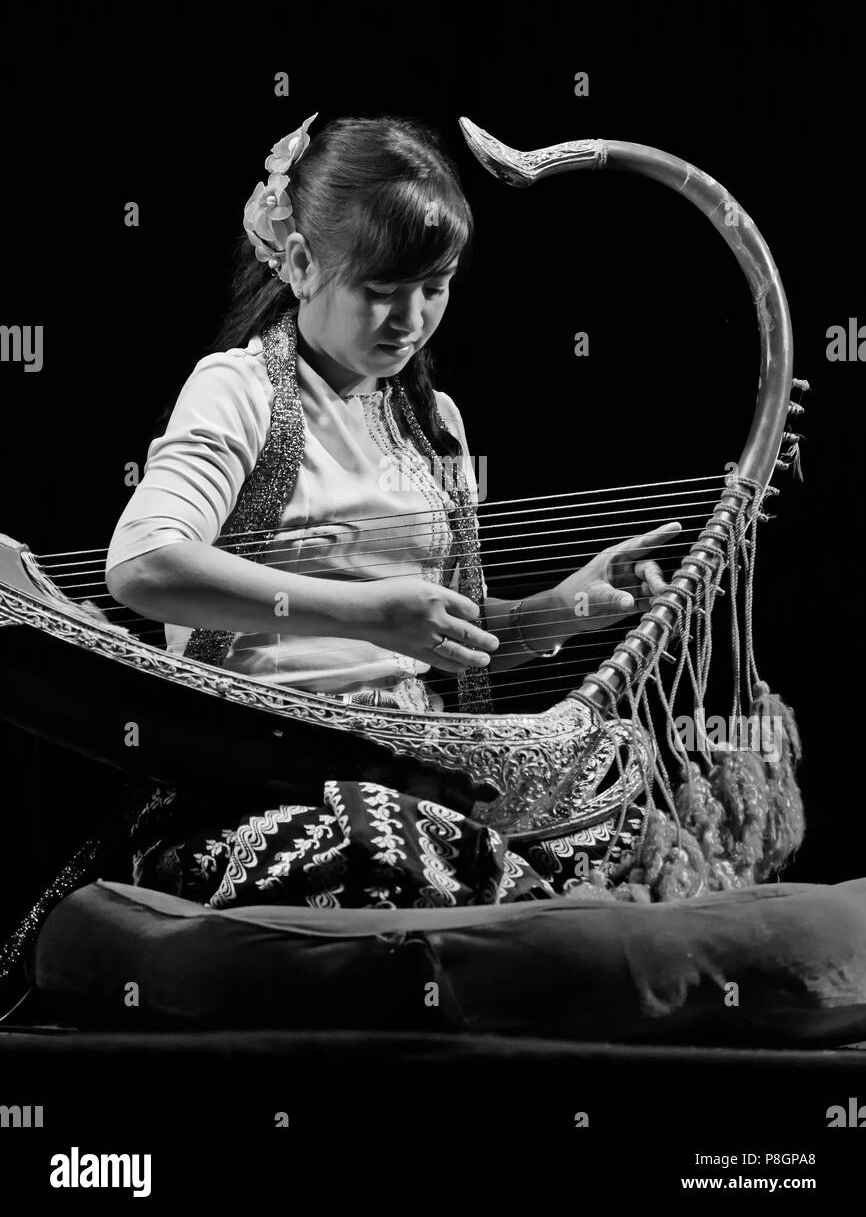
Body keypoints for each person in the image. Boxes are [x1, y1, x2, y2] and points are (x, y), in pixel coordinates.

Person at [105, 113, 680, 909]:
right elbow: (143, 565)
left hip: (414, 761)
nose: (410, 320)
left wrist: (567, 608)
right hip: (258, 778)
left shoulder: (435, 422)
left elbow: (444, 633)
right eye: (381, 291)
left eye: (434, 289)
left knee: (630, 797)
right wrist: (370, 613)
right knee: (381, 839)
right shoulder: (239, 390)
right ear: (302, 263)